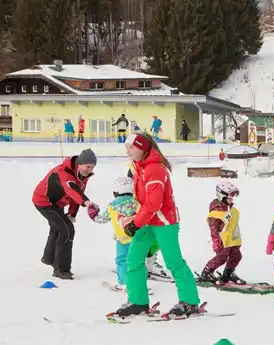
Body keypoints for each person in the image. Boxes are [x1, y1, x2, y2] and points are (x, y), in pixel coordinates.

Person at [113, 134, 202, 318]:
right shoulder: (140, 167)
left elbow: (154, 203)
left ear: (142, 148)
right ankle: (138, 301)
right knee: (133, 260)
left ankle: (190, 302)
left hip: (164, 222)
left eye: (131, 147)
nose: (127, 151)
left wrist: (135, 223)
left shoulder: (155, 169)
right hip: (146, 220)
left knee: (173, 262)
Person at [32, 148, 98, 279]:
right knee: (67, 230)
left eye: (92, 167)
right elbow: (72, 189)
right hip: (44, 201)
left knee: (59, 227)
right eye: (88, 166)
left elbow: (76, 194)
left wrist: (72, 214)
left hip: (57, 204)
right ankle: (61, 270)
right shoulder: (64, 172)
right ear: (80, 163)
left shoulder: (83, 175)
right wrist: (86, 202)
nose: (89, 170)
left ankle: (49, 258)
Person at [87, 176, 138, 290]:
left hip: (123, 239)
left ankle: (124, 283)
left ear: (115, 193)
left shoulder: (112, 207)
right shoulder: (137, 203)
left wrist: (93, 215)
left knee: (122, 260)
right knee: (138, 261)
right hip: (138, 238)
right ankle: (139, 283)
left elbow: (101, 219)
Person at [197, 180, 245, 285]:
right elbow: (214, 229)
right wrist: (215, 241)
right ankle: (207, 272)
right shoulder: (216, 212)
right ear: (221, 196)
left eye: (232, 198)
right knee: (222, 258)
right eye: (229, 198)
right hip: (222, 240)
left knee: (237, 256)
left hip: (232, 240)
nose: (231, 200)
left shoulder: (231, 209)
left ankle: (228, 273)